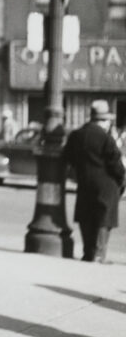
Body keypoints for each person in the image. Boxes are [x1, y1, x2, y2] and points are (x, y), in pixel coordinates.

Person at [62, 100, 125, 263]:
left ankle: (88, 253)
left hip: (84, 183)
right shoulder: (105, 138)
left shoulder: (76, 135)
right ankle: (98, 255)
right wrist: (121, 180)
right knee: (103, 220)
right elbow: (115, 164)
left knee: (86, 218)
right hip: (107, 185)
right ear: (104, 120)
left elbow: (67, 156)